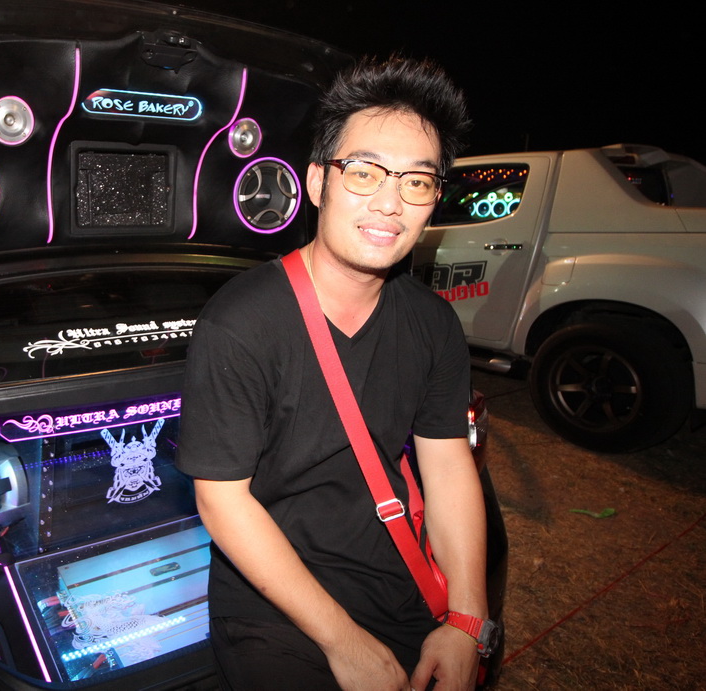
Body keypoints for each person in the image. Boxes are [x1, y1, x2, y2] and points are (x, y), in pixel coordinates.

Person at [175, 56, 490, 691]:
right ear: (318, 182)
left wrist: (467, 620)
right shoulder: (242, 322)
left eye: (417, 182)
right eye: (365, 172)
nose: (389, 203)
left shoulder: (433, 323)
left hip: (396, 580)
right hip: (274, 602)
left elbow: (448, 463)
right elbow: (221, 499)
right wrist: (344, 643)